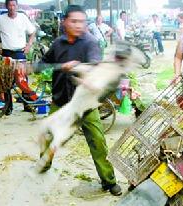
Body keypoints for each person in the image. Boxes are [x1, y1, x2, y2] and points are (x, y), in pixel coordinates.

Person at [38, 5, 122, 196]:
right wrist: (31, 66)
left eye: (82, 21)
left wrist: (79, 68)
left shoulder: (90, 43)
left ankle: (109, 181)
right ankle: (44, 164)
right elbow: (45, 61)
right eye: (74, 21)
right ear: (65, 22)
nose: (78, 25)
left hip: (85, 104)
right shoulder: (57, 43)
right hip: (60, 100)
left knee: (98, 142)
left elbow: (94, 65)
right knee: (48, 135)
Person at [0, 0, 37, 114]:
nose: (12, 7)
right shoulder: (0, 19)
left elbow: (33, 31)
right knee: (6, 81)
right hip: (6, 54)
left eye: (14, 5)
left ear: (17, 6)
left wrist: (29, 45)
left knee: (22, 80)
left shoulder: (22, 18)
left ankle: (28, 105)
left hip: (20, 53)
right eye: (9, 5)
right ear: (6, 6)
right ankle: (8, 107)